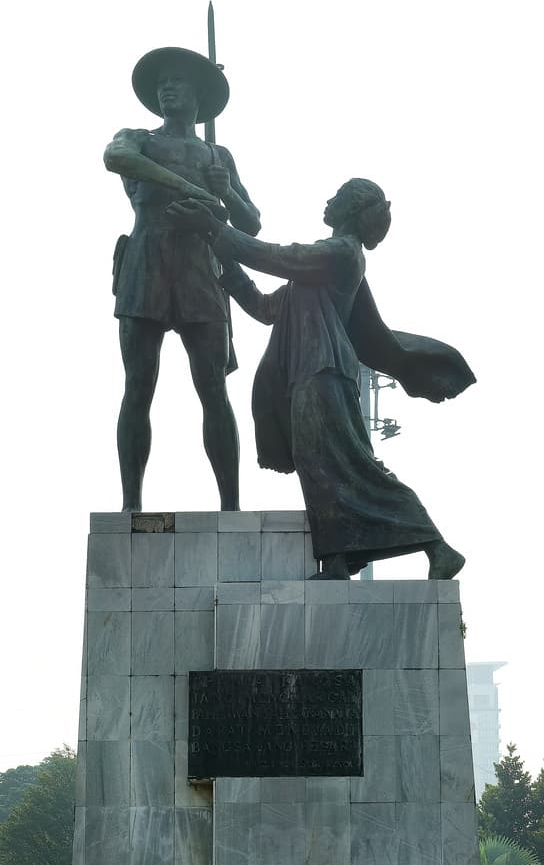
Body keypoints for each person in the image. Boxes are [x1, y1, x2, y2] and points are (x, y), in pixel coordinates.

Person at [200, 178, 473, 578]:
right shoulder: (313, 275)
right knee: (321, 471)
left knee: (350, 468)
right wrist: (227, 263)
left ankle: (436, 546)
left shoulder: (342, 253)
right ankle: (338, 561)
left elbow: (280, 256)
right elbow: (263, 306)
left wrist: (221, 232)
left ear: (348, 209)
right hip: (309, 376)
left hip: (324, 374)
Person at [104, 47, 262, 511]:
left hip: (200, 268)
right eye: (161, 83)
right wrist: (191, 189)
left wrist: (224, 189)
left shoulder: (218, 155)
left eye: (177, 81)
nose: (166, 88)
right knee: (138, 386)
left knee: (214, 389)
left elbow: (251, 224)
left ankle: (230, 507)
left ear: (199, 94)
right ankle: (131, 503)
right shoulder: (138, 138)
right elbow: (116, 158)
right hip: (146, 262)